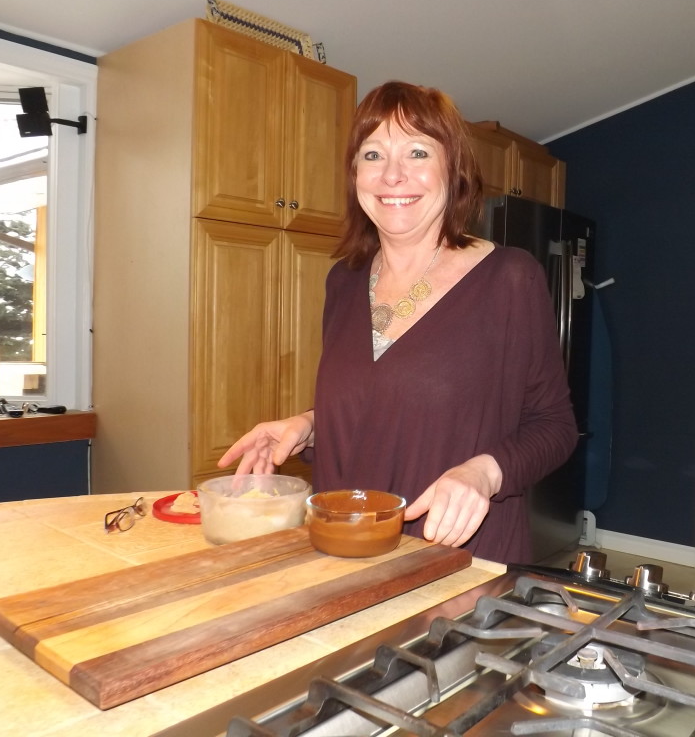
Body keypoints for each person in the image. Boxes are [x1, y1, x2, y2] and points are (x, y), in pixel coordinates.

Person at [219, 81, 577, 564]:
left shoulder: (509, 279)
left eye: (416, 152)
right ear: (354, 174)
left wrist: (484, 473)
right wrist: (308, 426)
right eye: (372, 155)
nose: (392, 175)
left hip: (455, 565)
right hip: (344, 554)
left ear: (454, 168)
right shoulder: (343, 283)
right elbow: (388, 401)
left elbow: (555, 426)